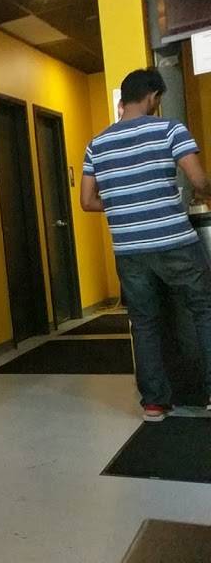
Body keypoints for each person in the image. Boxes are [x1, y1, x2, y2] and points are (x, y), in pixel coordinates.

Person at [81, 68, 211, 422]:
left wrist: (122, 204)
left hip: (129, 250)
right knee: (203, 309)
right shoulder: (169, 129)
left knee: (144, 322)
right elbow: (199, 180)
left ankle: (154, 403)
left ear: (122, 101)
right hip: (175, 241)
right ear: (153, 97)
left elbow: (87, 201)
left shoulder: (96, 144)